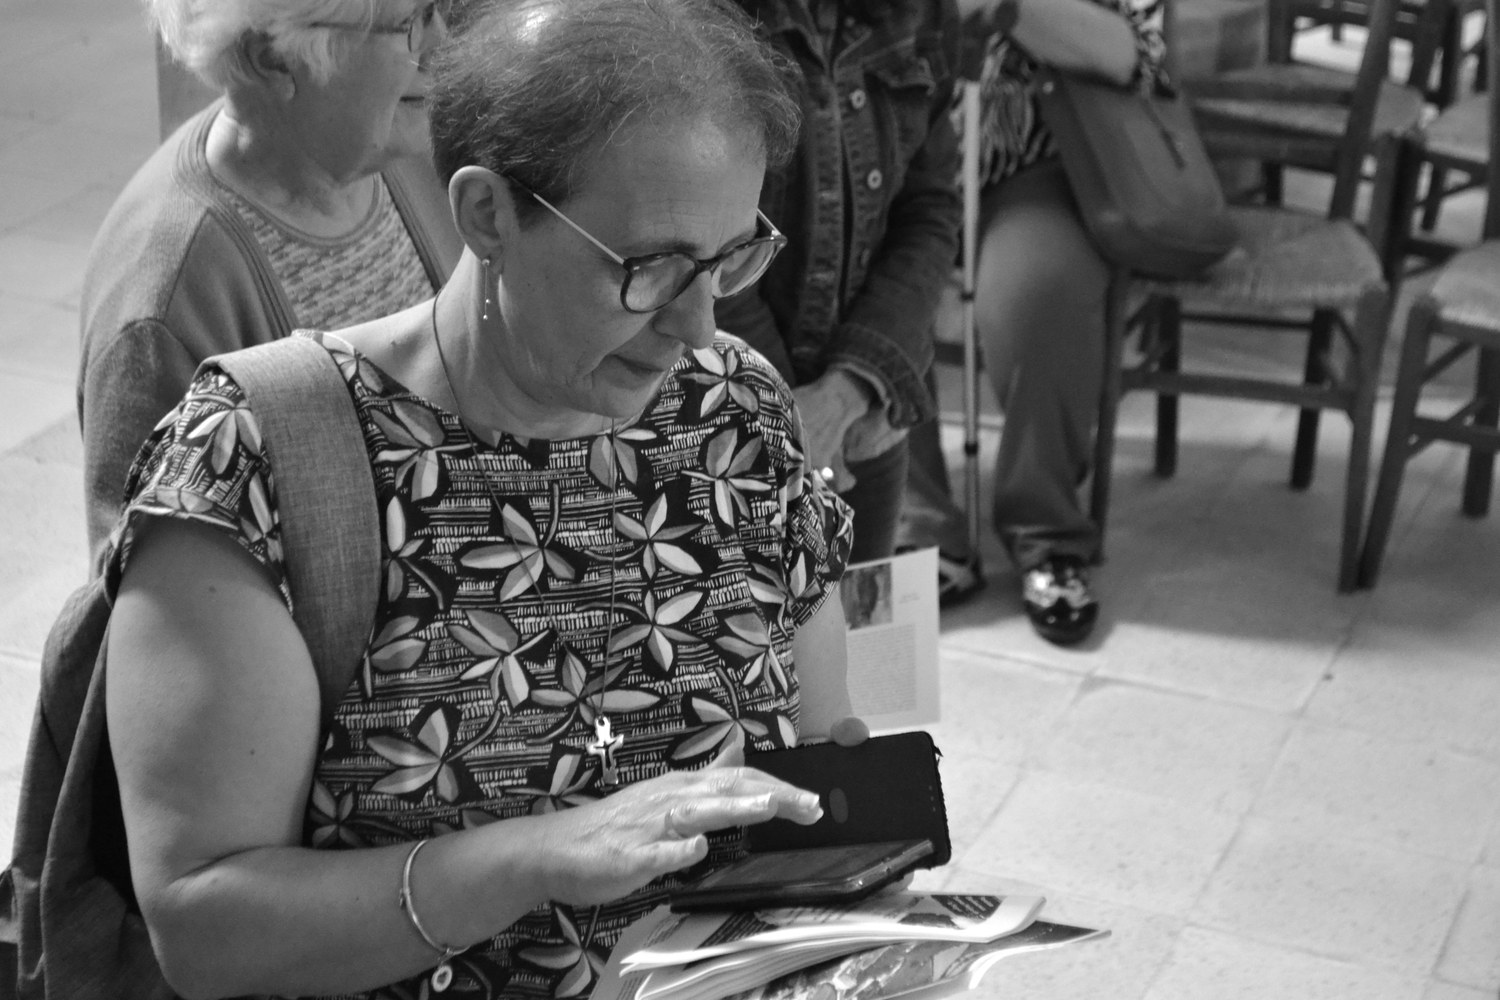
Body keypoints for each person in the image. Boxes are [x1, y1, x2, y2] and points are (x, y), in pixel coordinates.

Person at [101, 0, 861, 996]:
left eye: (728, 260)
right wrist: (535, 857)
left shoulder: (735, 413)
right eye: (651, 269)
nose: (696, 327)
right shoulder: (257, 459)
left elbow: (820, 755)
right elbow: (203, 924)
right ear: (487, 216)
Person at [77, 0, 463, 570]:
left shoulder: (405, 148)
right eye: (409, 24)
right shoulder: (165, 302)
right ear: (272, 58)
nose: (441, 43)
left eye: (436, 7)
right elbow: (160, 592)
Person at [898, 0, 1166, 644]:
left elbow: (1133, 55)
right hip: (898, 157)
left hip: (1043, 165)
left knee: (1043, 293)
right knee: (869, 284)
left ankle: (1046, 534)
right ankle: (915, 527)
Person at [715, 0, 963, 564]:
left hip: (864, 411)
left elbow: (929, 211)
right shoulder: (696, 14)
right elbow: (691, 244)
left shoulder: (922, 12)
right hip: (714, 409)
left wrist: (848, 389)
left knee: (856, 611)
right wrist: (785, 408)